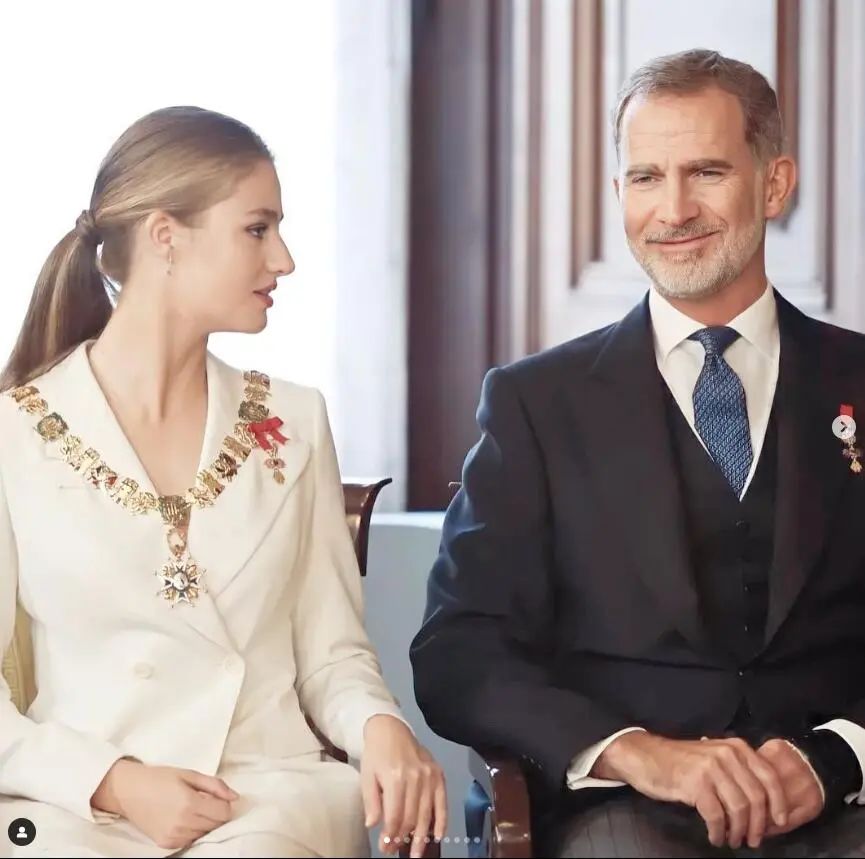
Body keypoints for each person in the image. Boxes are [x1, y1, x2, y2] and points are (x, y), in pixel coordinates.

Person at [411, 49, 865, 857]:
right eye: (645, 177)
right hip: (624, 813)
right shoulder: (534, 404)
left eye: (706, 172)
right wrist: (631, 750)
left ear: (774, 183)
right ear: (618, 192)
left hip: (844, 800)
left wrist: (835, 754)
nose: (674, 208)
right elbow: (460, 649)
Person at [0, 106, 446, 858]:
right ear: (166, 237)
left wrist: (382, 726)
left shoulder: (294, 421)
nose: (284, 259)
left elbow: (332, 654)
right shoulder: (14, 435)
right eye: (257, 228)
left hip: (265, 794)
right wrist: (114, 780)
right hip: (74, 808)